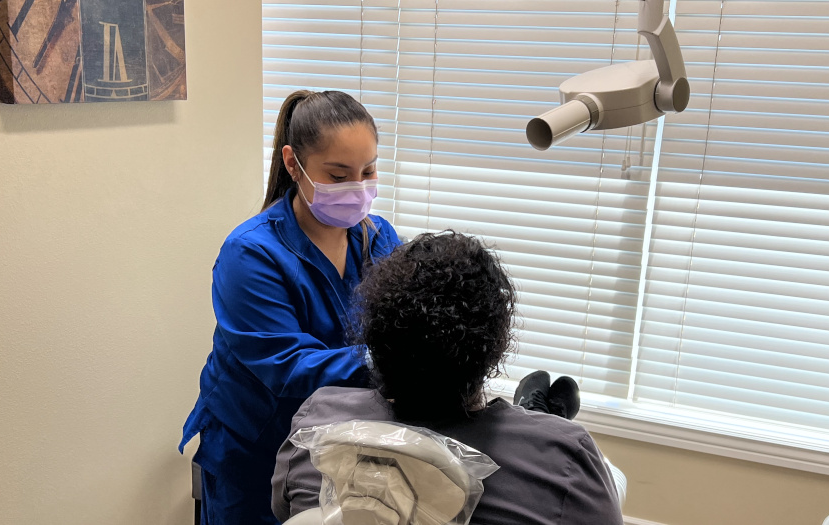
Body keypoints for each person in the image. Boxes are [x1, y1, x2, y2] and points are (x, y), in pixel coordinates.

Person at [272, 231, 623, 524]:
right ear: (495, 349)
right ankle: (542, 415)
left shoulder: (317, 425)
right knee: (613, 477)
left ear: (376, 344)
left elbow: (287, 508)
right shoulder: (563, 455)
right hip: (554, 455)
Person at [180, 90, 401, 524]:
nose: (357, 189)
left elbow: (404, 315)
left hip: (338, 444)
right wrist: (387, 361)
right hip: (255, 451)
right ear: (292, 162)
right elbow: (287, 364)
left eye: (368, 171)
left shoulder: (377, 237)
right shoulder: (250, 254)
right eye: (338, 176)